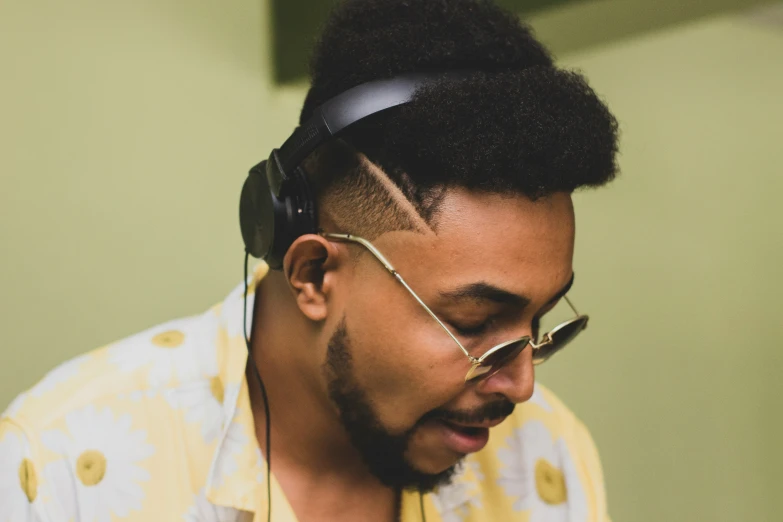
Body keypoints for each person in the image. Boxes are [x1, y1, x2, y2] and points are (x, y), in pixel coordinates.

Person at [0, 0, 620, 520]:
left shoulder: (549, 462)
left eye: (538, 323)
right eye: (474, 322)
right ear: (314, 276)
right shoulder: (57, 471)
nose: (523, 385)